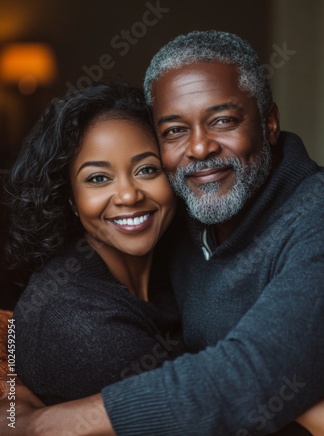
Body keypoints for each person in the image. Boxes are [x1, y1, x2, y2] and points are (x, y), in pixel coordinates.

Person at [1, 31, 324, 435]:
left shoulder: (305, 219)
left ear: (270, 122)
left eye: (222, 120)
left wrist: (40, 424)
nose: (200, 148)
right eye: (174, 130)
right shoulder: (83, 317)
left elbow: (256, 371)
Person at [3, 83, 184, 404]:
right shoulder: (82, 327)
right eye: (98, 178)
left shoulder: (175, 265)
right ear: (70, 197)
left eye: (147, 169)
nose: (129, 195)